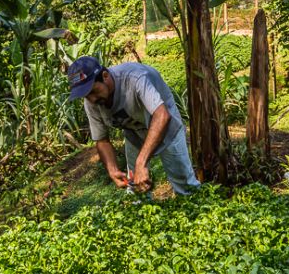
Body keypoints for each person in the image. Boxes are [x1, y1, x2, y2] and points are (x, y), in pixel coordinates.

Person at [68, 56, 200, 195]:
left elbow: (162, 115)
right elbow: (102, 140)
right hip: (133, 131)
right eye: (87, 95)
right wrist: (112, 170)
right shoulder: (91, 102)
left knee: (185, 186)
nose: (92, 99)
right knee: (136, 188)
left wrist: (141, 162)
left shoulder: (135, 79)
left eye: (94, 91)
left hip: (165, 125)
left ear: (105, 76)